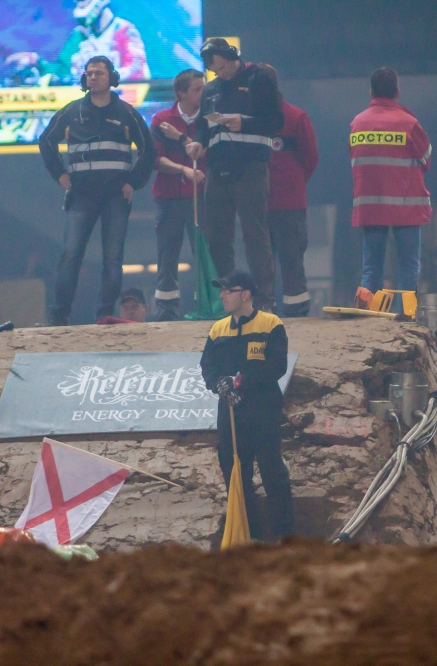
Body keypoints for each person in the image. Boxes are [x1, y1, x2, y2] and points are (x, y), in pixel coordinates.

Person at [39, 56, 155, 326]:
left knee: (112, 259)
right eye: (89, 73)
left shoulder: (126, 112)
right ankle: (59, 315)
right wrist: (59, 174)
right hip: (81, 195)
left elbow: (149, 150)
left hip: (116, 196)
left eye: (99, 73)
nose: (93, 77)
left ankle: (104, 314)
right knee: (70, 255)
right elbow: (46, 141)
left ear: (111, 78)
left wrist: (133, 183)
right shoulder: (71, 112)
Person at [185, 38, 284, 312]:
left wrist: (245, 123)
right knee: (217, 237)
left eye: (223, 67)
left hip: (251, 168)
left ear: (233, 56)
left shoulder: (259, 79)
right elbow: (203, 126)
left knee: (255, 235)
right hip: (217, 170)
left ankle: (264, 299)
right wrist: (198, 143)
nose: (221, 74)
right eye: (215, 71)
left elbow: (277, 121)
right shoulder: (211, 89)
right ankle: (226, 300)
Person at [199, 270, 293, 540]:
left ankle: (284, 536)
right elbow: (207, 367)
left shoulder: (271, 324)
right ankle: (249, 535)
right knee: (235, 473)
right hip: (230, 412)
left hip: (263, 410)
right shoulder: (218, 329)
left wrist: (241, 381)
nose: (222, 295)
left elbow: (277, 366)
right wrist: (219, 385)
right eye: (222, 290)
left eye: (229, 290)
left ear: (246, 294)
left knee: (271, 470)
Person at [349, 66, 432, 297]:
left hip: (371, 207)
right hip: (406, 207)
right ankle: (404, 314)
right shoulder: (409, 124)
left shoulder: (357, 124)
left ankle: (368, 314)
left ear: (371, 92)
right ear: (397, 91)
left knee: (371, 269)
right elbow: (426, 160)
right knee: (408, 266)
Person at [259, 64, 319, 317]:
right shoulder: (249, 120)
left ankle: (296, 311)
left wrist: (294, 184)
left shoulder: (295, 117)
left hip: (286, 204)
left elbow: (310, 157)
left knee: (290, 260)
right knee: (263, 262)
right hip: (259, 204)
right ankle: (265, 311)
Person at [149, 69, 207, 321]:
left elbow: (205, 152)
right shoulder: (161, 120)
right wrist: (183, 170)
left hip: (200, 196)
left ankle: (205, 304)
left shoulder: (208, 120)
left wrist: (182, 139)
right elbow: (155, 160)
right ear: (181, 93)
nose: (203, 94)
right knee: (167, 254)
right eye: (197, 89)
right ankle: (166, 310)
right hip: (168, 197)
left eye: (204, 88)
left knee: (203, 252)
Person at [5, 0, 149, 84]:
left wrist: (100, 79)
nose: (79, 5)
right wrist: (36, 62)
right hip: (83, 108)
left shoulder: (124, 30)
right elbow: (63, 70)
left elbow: (135, 70)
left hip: (119, 106)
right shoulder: (78, 35)